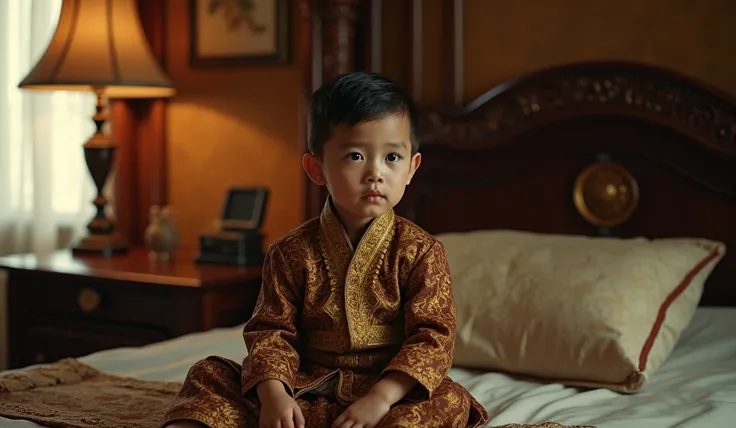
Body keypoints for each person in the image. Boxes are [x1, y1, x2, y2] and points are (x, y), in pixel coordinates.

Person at [161, 72, 488, 428]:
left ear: (412, 168)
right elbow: (270, 331)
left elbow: (432, 339)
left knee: (449, 399)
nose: (375, 173)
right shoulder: (290, 252)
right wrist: (275, 396)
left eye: (392, 157)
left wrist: (380, 399)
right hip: (306, 389)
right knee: (208, 374)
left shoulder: (421, 252)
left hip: (386, 396)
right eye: (356, 156)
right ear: (316, 168)